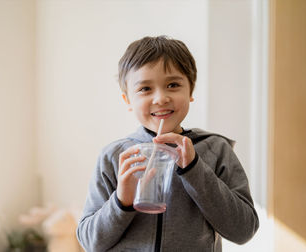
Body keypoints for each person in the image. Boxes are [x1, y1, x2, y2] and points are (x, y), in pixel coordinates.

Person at [76, 35, 259, 251]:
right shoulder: (114, 157)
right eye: (145, 89)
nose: (161, 98)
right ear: (127, 100)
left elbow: (244, 230)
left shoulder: (216, 150)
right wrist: (121, 201)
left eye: (173, 85)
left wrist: (194, 169)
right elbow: (89, 242)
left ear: (190, 91)